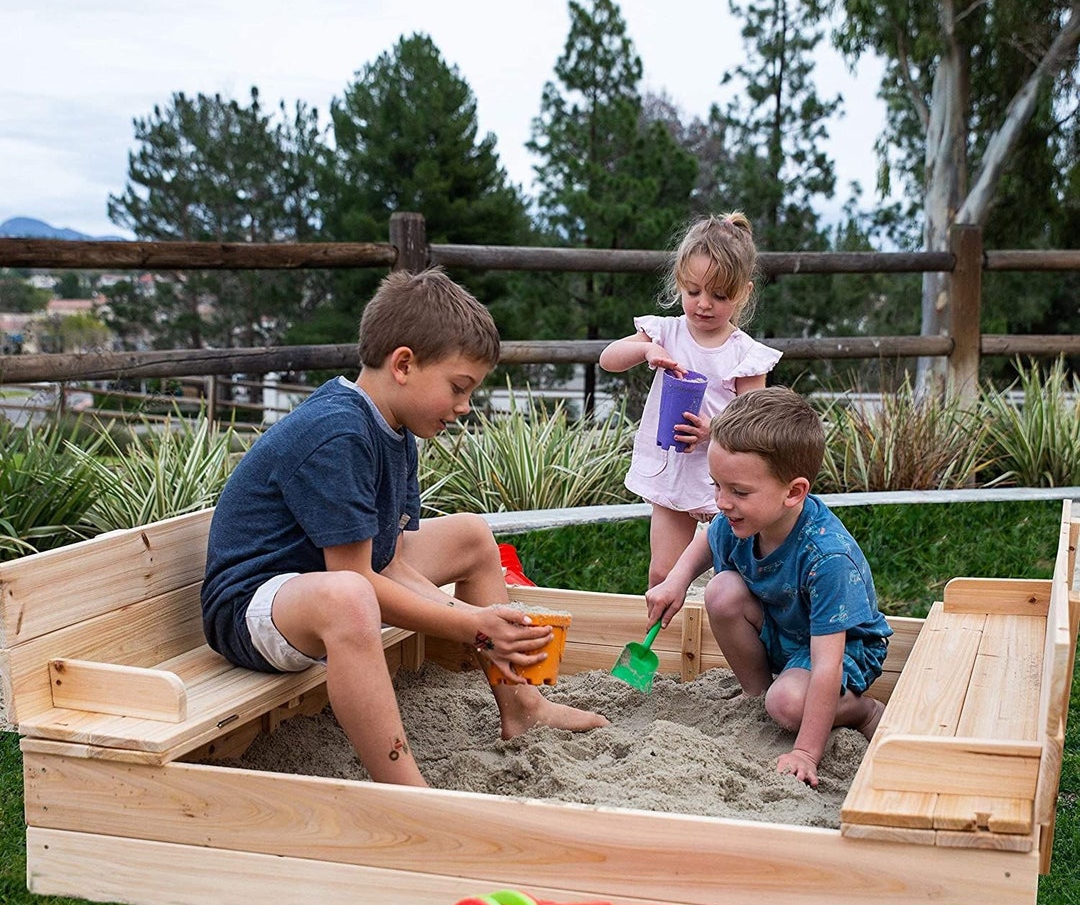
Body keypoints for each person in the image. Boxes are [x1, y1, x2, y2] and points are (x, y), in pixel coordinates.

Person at [201, 267, 607, 788]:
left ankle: (523, 705)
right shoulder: (337, 433)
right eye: (459, 388)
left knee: (470, 536)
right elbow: (360, 580)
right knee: (350, 596)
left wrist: (477, 616)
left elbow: (385, 559)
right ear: (404, 364)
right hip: (253, 608)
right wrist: (475, 627)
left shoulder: (393, 428)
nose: (464, 408)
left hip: (322, 581)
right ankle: (404, 788)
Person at [644, 386, 891, 788]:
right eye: (716, 485)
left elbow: (827, 663)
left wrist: (806, 752)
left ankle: (861, 711)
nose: (722, 502)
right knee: (721, 591)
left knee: (789, 704)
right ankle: (758, 696)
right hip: (786, 627)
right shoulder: (744, 518)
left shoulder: (827, 558)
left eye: (738, 492)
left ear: (794, 492)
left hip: (843, 649)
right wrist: (676, 580)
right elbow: (708, 538)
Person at [599, 213, 782, 588]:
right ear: (679, 283)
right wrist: (646, 350)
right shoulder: (665, 332)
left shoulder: (745, 355)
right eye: (693, 291)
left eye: (719, 295)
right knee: (663, 573)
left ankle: (718, 640)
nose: (703, 304)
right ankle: (661, 641)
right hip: (674, 471)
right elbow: (608, 359)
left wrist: (713, 430)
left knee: (730, 578)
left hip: (726, 482)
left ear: (744, 293)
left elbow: (756, 423)